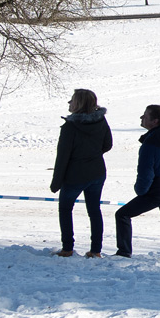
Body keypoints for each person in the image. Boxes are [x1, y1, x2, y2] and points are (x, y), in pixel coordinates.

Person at [114, 105, 160, 261]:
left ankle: (124, 252)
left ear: (155, 121)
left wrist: (141, 191)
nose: (141, 118)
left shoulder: (149, 145)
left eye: (144, 116)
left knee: (122, 214)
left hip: (157, 190)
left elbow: (145, 173)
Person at [51, 88, 113, 258]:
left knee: (65, 209)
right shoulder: (101, 121)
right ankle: (95, 250)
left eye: (72, 100)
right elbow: (108, 144)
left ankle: (67, 248)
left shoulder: (70, 127)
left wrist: (56, 182)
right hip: (97, 172)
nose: (69, 103)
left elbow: (62, 157)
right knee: (94, 210)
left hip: (74, 176)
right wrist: (92, 154)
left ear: (78, 103)